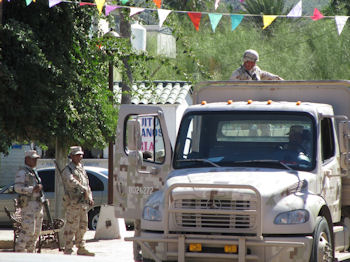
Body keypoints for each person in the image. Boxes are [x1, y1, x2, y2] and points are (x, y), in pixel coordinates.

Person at [62, 146, 95, 256]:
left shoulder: (81, 168)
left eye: (80, 154)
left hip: (82, 203)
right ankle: (68, 249)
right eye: (77, 155)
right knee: (71, 226)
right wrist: (83, 189)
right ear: (71, 156)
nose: (79, 157)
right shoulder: (68, 169)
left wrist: (90, 196)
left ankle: (81, 247)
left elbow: (87, 184)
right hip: (73, 203)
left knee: (83, 226)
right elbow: (70, 181)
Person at [14, 150, 43, 253]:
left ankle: (31, 253)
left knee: (36, 232)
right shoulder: (22, 172)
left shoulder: (34, 172)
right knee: (28, 230)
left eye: (36, 159)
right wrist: (31, 189)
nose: (35, 161)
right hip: (28, 206)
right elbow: (17, 188)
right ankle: (19, 251)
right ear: (27, 159)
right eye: (33, 159)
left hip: (37, 206)